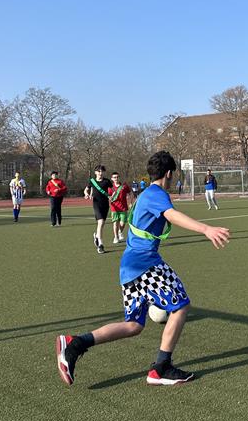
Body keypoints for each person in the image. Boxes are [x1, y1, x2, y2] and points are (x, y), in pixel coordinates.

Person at [56, 151, 230, 387]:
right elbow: (172, 215)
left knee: (134, 325)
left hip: (130, 266)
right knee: (180, 306)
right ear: (169, 173)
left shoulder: (145, 194)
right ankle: (161, 368)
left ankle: (75, 344)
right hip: (145, 263)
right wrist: (206, 229)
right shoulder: (156, 194)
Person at [84, 165, 112, 254]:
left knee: (102, 224)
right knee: (100, 222)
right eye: (99, 171)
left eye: (102, 171)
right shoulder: (92, 181)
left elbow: (113, 190)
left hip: (105, 205)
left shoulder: (107, 181)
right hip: (96, 204)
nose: (100, 173)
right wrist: (86, 194)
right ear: (95, 172)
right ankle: (100, 244)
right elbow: (86, 190)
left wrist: (112, 196)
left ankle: (96, 236)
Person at [108, 172, 131, 244]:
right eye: (114, 177)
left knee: (123, 223)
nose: (116, 178)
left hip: (123, 208)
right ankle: (116, 237)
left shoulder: (124, 186)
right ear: (112, 179)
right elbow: (108, 197)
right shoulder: (110, 187)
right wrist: (111, 197)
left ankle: (120, 231)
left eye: (117, 177)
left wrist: (130, 202)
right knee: (115, 223)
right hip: (114, 208)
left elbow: (130, 193)